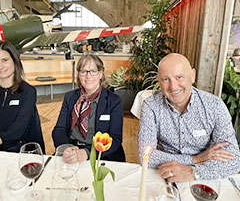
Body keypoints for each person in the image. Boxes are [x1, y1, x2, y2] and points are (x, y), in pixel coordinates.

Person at [138, 53, 240, 182]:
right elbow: (146, 156)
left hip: (205, 178)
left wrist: (193, 172)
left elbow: (233, 159)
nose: (173, 86)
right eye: (165, 79)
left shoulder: (214, 105)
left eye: (179, 77)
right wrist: (196, 159)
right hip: (164, 174)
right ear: (159, 80)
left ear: (192, 75)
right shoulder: (150, 106)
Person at [52, 54, 125, 162]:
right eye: (84, 71)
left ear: (101, 74)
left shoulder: (113, 101)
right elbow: (59, 130)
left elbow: (115, 138)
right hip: (72, 150)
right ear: (79, 75)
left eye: (93, 71)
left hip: (102, 155)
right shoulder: (70, 97)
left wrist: (87, 153)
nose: (88, 76)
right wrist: (66, 148)